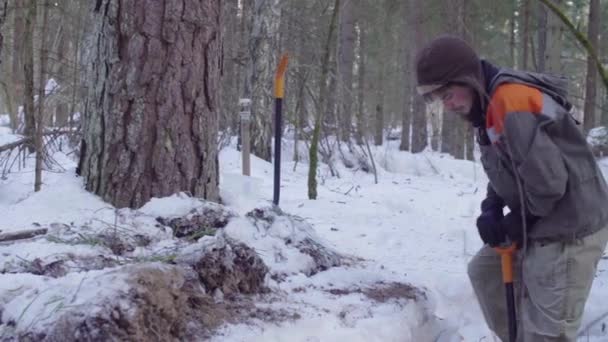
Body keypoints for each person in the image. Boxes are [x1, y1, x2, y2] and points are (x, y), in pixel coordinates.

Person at [415, 35, 608, 341]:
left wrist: (519, 220)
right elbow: (509, 166)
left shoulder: (509, 102)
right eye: (440, 98)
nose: (447, 104)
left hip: (570, 226)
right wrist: (492, 206)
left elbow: (549, 184)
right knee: (486, 273)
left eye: (448, 93)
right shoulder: (485, 104)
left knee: (547, 332)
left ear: (467, 78)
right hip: (542, 215)